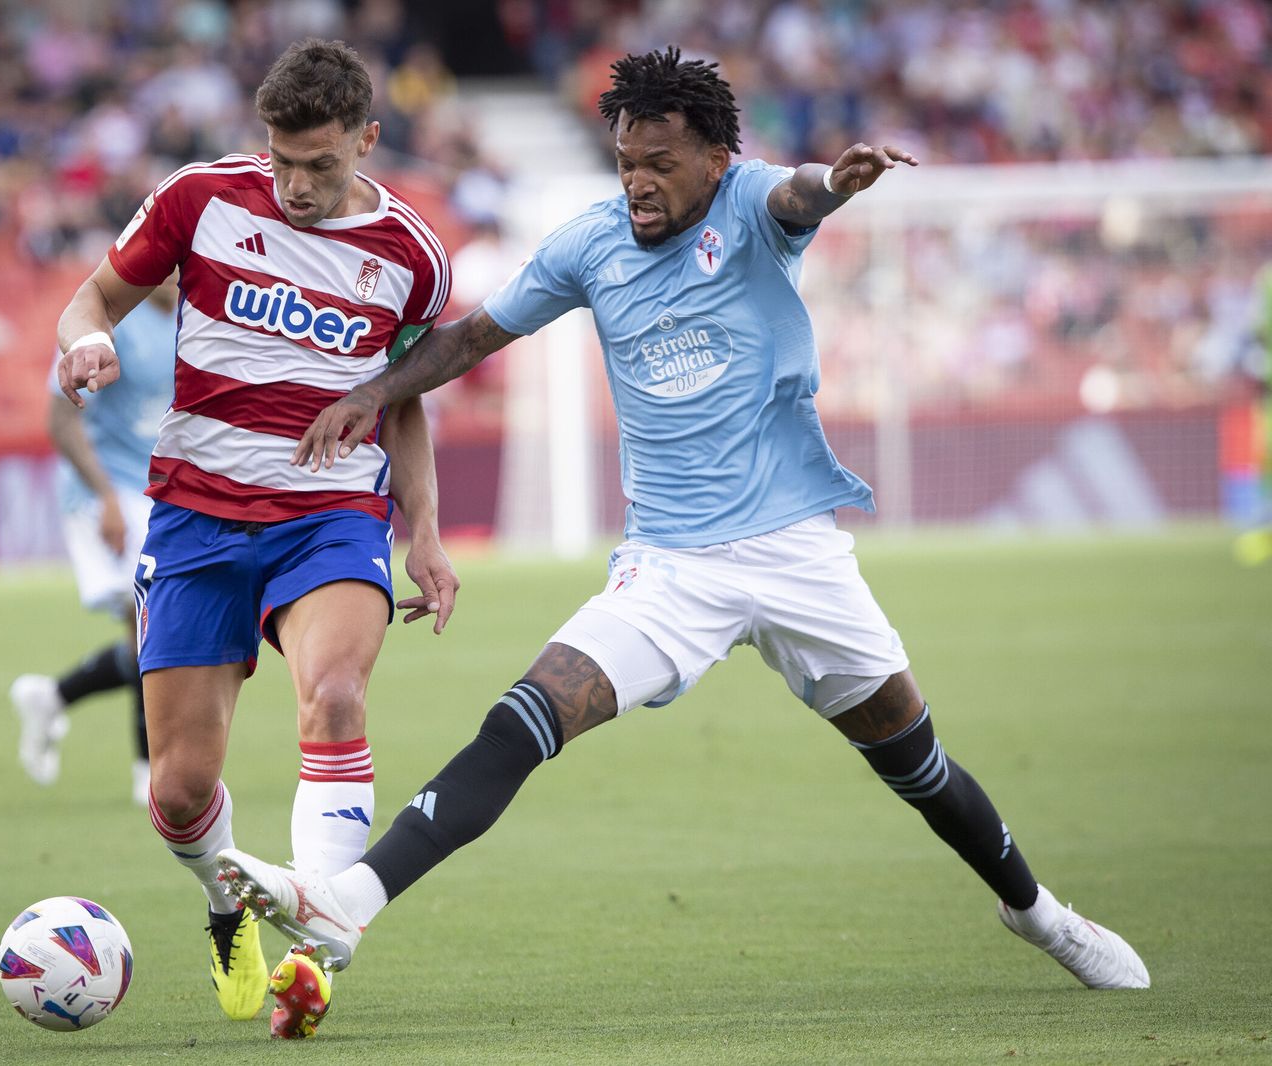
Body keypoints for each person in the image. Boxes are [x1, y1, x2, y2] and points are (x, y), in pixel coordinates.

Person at [215, 47, 1150, 1034]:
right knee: (523, 718)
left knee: (916, 765)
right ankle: (350, 902)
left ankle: (1038, 913)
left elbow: (797, 195)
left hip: (795, 554)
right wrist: (373, 393)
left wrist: (835, 182)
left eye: (659, 164)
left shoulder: (752, 206)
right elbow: (472, 337)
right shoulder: (590, 244)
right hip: (668, 567)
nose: (637, 183)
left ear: (712, 160)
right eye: (625, 162)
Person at [54, 38, 460, 1039]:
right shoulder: (200, 198)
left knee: (336, 694)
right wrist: (88, 342)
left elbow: (404, 397)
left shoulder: (413, 256)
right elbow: (91, 299)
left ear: (366, 139)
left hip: (329, 518)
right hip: (195, 518)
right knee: (179, 787)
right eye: (281, 159)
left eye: (319, 164)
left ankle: (313, 949)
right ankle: (224, 899)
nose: (296, 185)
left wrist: (426, 531)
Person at [10, 280, 178, 806]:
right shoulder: (106, 320)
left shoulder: (197, 314)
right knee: (152, 624)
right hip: (105, 491)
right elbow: (59, 419)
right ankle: (149, 772)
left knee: (154, 629)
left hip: (156, 489)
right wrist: (105, 498)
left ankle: (53, 696)